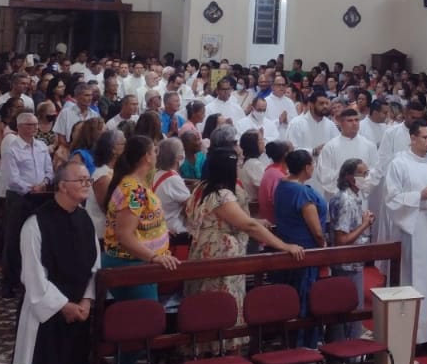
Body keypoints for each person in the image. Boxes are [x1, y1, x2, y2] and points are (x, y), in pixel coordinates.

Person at [13, 160, 99, 364]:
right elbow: (33, 275)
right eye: (81, 180)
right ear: (62, 186)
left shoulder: (85, 219)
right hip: (47, 316)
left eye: (88, 180)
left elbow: (94, 264)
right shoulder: (36, 223)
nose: (87, 185)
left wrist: (86, 300)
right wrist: (64, 305)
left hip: (79, 312)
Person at [184, 148, 303, 329]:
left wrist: (255, 221)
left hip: (203, 249)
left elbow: (221, 218)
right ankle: (223, 341)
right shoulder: (222, 195)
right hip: (220, 254)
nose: (239, 168)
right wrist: (284, 246)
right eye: (237, 164)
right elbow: (248, 226)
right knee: (222, 302)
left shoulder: (201, 188)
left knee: (206, 299)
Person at [384, 119, 427, 355]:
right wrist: (419, 196)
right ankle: (413, 336)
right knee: (413, 279)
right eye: (425, 137)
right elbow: (391, 199)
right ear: (412, 138)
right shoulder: (399, 163)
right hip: (411, 228)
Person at [103, 136, 180, 301]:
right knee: (144, 313)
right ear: (147, 156)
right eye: (154, 151)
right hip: (132, 264)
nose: (157, 155)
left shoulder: (137, 184)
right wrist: (154, 257)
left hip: (139, 262)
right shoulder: (134, 191)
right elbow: (124, 235)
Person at [271, 149, 328, 344]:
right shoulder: (301, 192)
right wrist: (323, 245)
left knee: (290, 296)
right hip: (305, 251)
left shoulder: (282, 185)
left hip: (286, 247)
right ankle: (304, 343)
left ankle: (289, 340)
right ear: (307, 167)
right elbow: (316, 230)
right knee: (305, 297)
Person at [0, 112, 55, 298]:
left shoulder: (41, 146)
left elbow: (49, 171)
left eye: (36, 124)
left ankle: (35, 279)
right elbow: (13, 178)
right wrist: (30, 189)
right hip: (20, 197)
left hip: (41, 196)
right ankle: (9, 281)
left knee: (38, 237)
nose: (35, 128)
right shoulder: (12, 149)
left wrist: (44, 183)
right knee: (14, 238)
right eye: (30, 125)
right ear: (20, 127)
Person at [327, 157, 375, 341]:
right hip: (347, 264)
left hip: (351, 262)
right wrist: (365, 225)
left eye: (367, 173)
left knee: (345, 310)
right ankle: (349, 351)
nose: (366, 177)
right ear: (349, 177)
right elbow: (342, 240)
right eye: (363, 174)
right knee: (350, 310)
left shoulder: (350, 196)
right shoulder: (346, 200)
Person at [313, 107, 379, 199]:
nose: (354, 123)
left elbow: (375, 171)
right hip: (337, 196)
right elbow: (324, 174)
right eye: (350, 120)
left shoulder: (369, 145)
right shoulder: (330, 147)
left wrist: (360, 183)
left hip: (361, 194)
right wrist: (346, 177)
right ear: (341, 123)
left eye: (356, 120)